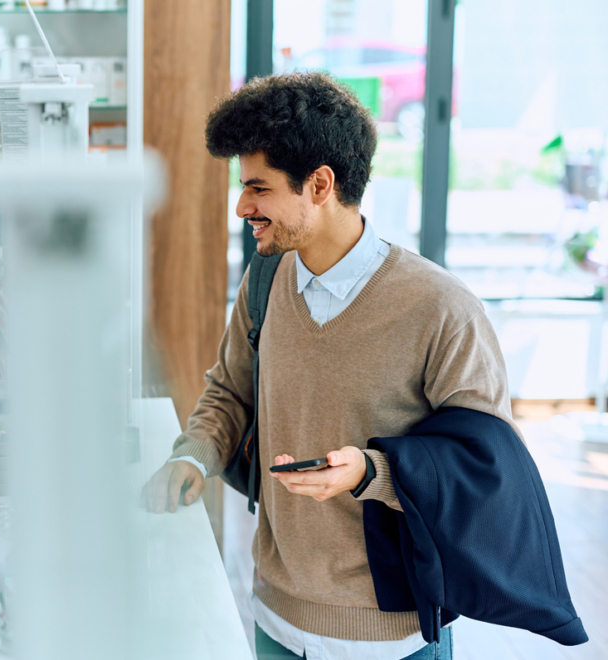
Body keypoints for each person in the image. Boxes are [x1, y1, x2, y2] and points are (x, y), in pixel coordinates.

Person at [142, 72, 521, 660]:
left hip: (392, 637)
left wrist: (372, 472)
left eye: (258, 188)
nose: (243, 206)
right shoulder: (266, 279)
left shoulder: (441, 308)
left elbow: (486, 470)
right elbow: (230, 393)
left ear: (319, 185)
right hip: (274, 616)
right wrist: (194, 454)